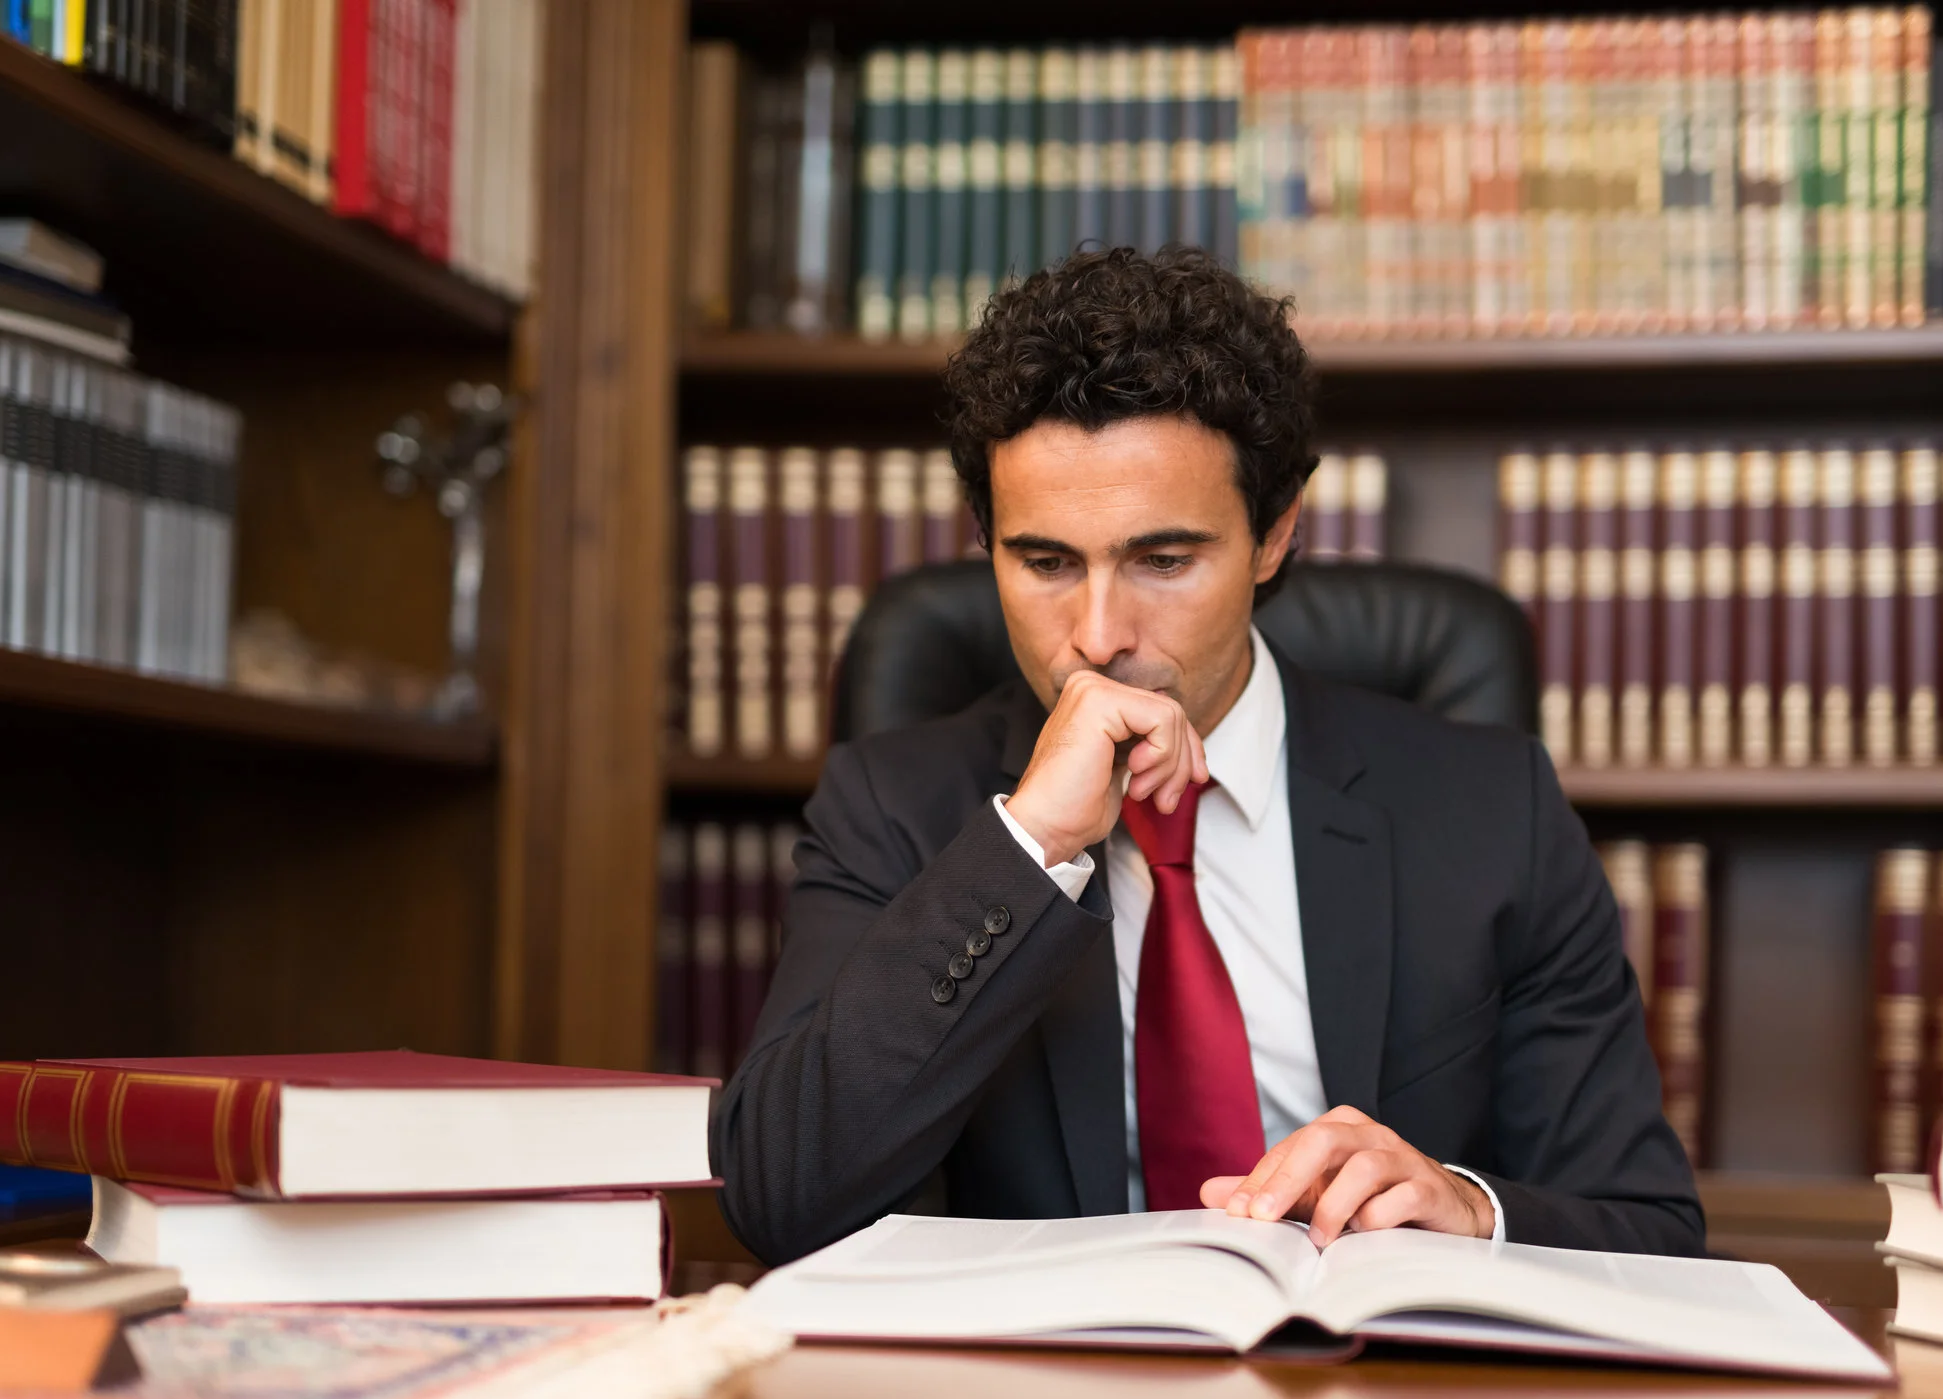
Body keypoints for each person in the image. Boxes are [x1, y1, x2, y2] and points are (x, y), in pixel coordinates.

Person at [713, 247, 1702, 1268]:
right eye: (1044, 562)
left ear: (1275, 534)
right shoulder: (896, 807)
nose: (1097, 636)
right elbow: (780, 1202)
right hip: (1046, 1398)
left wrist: (1465, 1208)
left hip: (1382, 1393)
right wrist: (1031, 847)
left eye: (1164, 561)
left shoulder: (1494, 809)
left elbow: (1650, 1232)